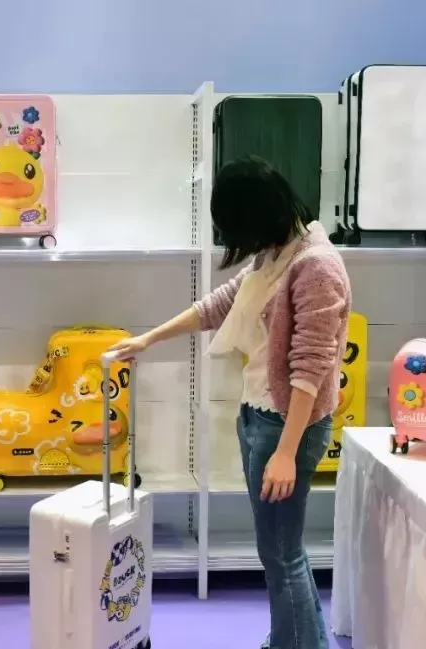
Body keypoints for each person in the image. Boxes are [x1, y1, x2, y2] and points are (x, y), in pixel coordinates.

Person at [108, 156, 351, 649]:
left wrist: (286, 452)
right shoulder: (276, 256)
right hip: (260, 414)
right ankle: (289, 641)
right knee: (280, 552)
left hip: (286, 427)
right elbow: (219, 304)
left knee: (282, 555)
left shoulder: (315, 267)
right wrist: (148, 339)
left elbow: (311, 368)